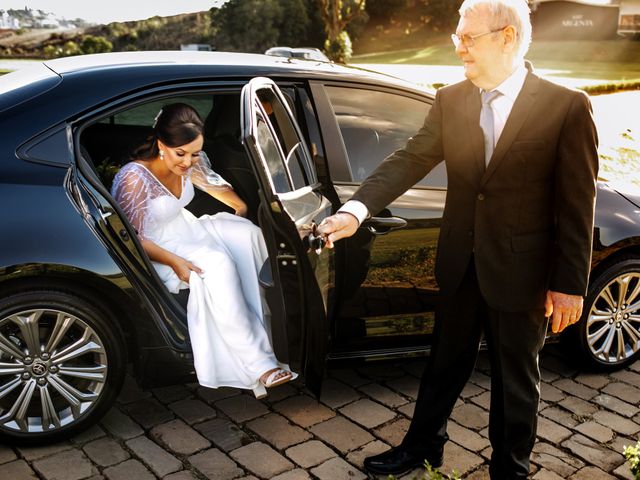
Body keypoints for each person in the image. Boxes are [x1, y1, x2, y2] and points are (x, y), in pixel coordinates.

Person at [318, 0, 599, 478]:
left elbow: (577, 205)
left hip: (522, 272)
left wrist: (570, 283)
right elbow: (408, 159)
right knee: (443, 364)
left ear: (506, 37)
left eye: (468, 38)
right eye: (457, 38)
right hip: (459, 263)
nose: (459, 48)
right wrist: (355, 209)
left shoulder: (566, 106)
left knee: (516, 382)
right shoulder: (450, 100)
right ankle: (423, 447)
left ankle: (509, 468)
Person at [111, 102, 296, 399]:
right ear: (161, 144)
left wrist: (240, 206)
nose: (187, 162)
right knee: (219, 264)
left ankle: (278, 328)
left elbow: (211, 184)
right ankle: (258, 363)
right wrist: (176, 262)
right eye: (180, 154)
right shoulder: (135, 178)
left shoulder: (191, 162)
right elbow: (130, 237)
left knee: (248, 234)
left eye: (194, 153)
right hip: (158, 247)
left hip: (190, 229)